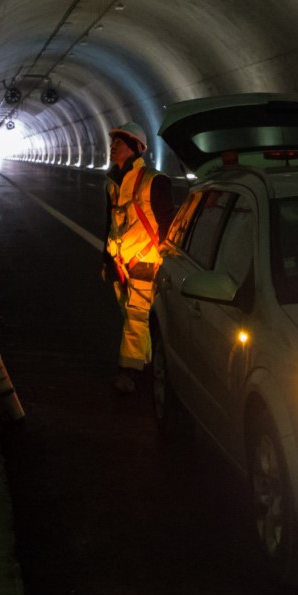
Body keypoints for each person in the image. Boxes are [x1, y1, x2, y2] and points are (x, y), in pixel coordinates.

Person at [104, 123, 175, 393]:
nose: (112, 148)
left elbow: (167, 224)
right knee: (133, 317)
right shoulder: (112, 182)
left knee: (136, 318)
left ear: (136, 148)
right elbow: (109, 221)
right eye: (112, 144)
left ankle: (130, 372)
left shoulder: (155, 181)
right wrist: (106, 257)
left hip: (146, 262)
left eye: (118, 144)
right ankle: (147, 364)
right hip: (120, 263)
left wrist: (165, 262)